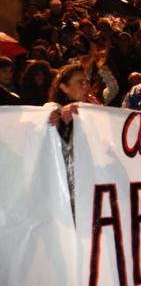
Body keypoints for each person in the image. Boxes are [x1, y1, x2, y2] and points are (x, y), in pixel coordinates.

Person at [45, 64, 102, 219]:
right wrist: (54, 116)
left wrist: (102, 116)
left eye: (87, 82)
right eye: (80, 83)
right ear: (64, 87)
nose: (86, 87)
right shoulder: (52, 108)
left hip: (90, 186)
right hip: (63, 191)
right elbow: (39, 127)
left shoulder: (92, 109)